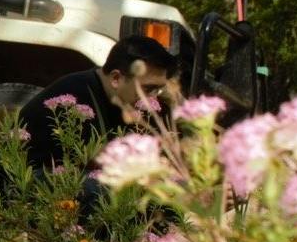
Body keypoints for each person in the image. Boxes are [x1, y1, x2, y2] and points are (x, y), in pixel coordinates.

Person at [19, 36, 180, 205]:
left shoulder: (121, 98)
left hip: (65, 179)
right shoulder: (73, 96)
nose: (152, 98)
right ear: (116, 78)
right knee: (106, 192)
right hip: (26, 181)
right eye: (148, 89)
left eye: (158, 90)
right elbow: (91, 163)